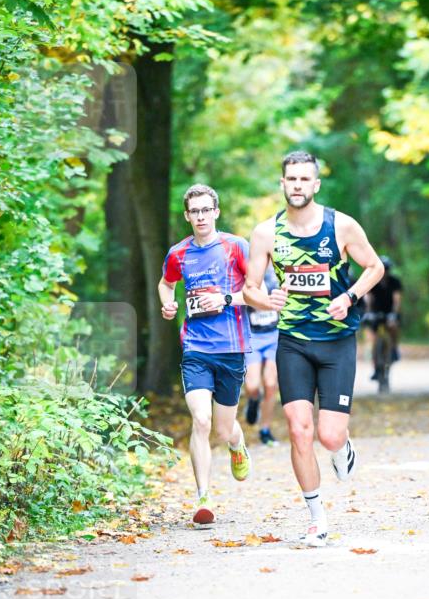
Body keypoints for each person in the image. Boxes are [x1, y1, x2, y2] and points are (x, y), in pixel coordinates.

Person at [244, 150, 384, 547]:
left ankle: (342, 447)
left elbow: (375, 267)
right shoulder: (265, 233)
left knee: (329, 435)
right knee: (299, 430)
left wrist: (351, 297)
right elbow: (250, 287)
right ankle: (316, 517)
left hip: (337, 341)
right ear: (282, 184)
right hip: (292, 342)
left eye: (306, 180)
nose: (298, 186)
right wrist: (263, 301)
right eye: (292, 179)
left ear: (316, 184)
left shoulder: (341, 226)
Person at [158, 183, 258, 527]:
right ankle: (203, 498)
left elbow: (259, 293)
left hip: (231, 349)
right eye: (194, 211)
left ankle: (236, 442)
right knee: (200, 420)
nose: (200, 216)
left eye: (206, 210)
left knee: (221, 429)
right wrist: (167, 303)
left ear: (216, 211)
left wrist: (227, 299)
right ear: (187, 216)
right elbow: (166, 283)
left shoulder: (235, 247)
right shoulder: (179, 253)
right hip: (196, 348)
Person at [244, 265, 280, 446]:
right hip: (253, 337)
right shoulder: (248, 275)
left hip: (274, 335)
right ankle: (253, 399)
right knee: (252, 386)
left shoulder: (278, 275)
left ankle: (265, 430)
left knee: (271, 384)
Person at [363, 255, 403, 379]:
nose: (385, 271)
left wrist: (394, 313)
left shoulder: (395, 281)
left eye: (387, 269)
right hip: (375, 313)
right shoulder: (372, 282)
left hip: (390, 312)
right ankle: (375, 367)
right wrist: (368, 312)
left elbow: (397, 300)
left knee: (393, 327)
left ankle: (394, 349)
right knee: (373, 340)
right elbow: (368, 298)